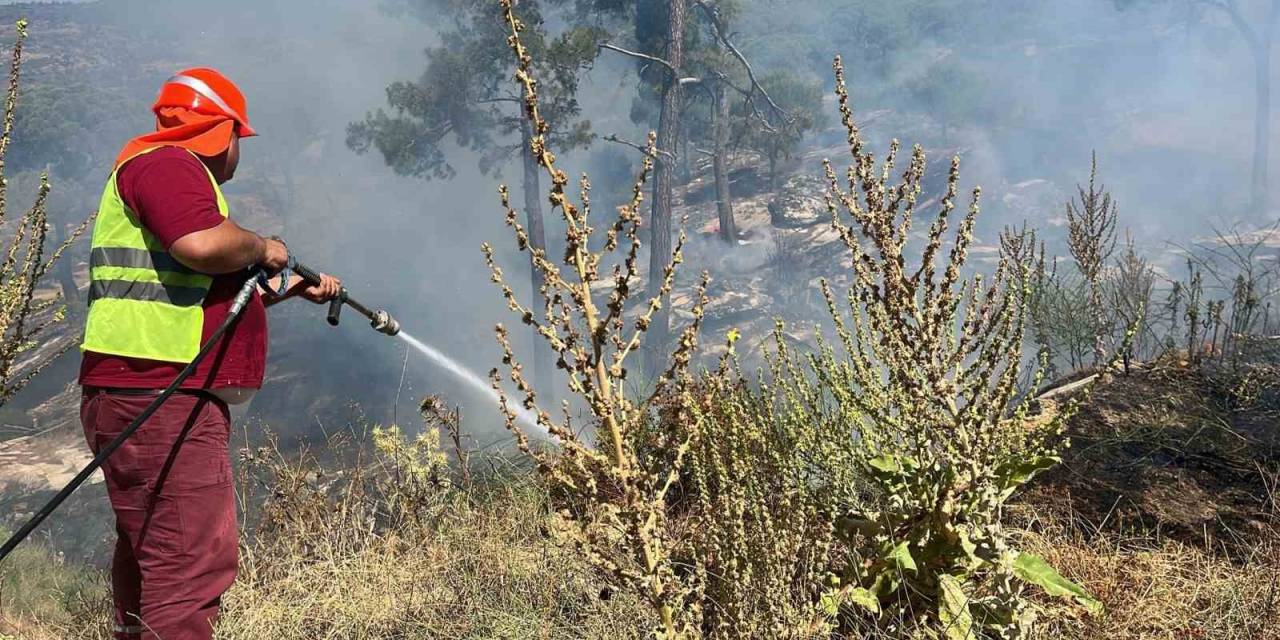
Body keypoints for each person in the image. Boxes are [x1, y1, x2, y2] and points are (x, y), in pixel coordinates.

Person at [77, 67, 341, 640]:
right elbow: (200, 246)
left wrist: (288, 286)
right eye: (239, 138)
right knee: (189, 563)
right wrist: (264, 247)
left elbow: (194, 293)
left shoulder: (154, 170)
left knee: (153, 552)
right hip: (163, 397)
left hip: (139, 391)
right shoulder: (170, 165)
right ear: (223, 133)